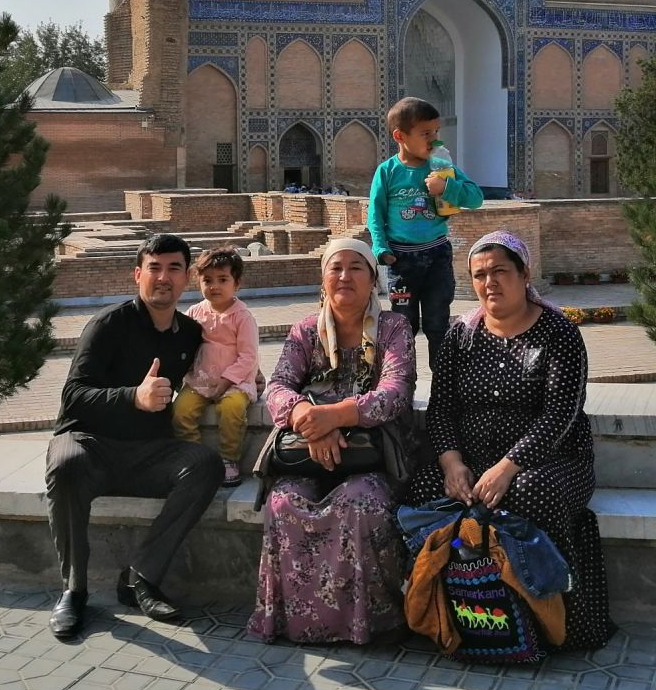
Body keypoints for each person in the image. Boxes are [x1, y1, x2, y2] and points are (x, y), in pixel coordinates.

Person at [408, 229, 616, 650]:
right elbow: (441, 408)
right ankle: (449, 617)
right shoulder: (461, 336)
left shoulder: (559, 334)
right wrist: (451, 463)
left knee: (529, 492)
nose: (490, 283)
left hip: (551, 463)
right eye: (480, 275)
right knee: (423, 488)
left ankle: (554, 624)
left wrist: (507, 467)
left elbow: (560, 415)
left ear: (524, 274)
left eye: (500, 271)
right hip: (474, 463)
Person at [44, 234, 224, 641]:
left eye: (174, 268)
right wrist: (134, 397)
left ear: (186, 278)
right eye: (154, 268)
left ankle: (141, 576)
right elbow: (73, 396)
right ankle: (74, 590)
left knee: (205, 465)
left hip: (148, 453)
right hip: (90, 444)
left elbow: (219, 364)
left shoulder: (189, 333)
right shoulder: (108, 324)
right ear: (137, 274)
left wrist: (245, 378)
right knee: (66, 463)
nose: (163, 278)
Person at [248, 238, 417, 644]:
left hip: (373, 457)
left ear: (373, 279)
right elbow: (278, 386)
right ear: (323, 279)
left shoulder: (393, 328)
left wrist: (335, 416)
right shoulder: (306, 331)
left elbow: (395, 391)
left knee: (361, 504)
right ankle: (299, 624)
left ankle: (369, 623)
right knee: (284, 502)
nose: (345, 276)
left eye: (356, 267)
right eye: (335, 268)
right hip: (307, 451)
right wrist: (307, 418)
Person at [367, 96, 484, 366]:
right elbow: (376, 214)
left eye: (436, 132)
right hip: (402, 261)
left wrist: (447, 188)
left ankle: (442, 381)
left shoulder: (442, 167)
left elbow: (475, 198)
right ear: (400, 136)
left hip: (436, 256)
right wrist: (381, 248)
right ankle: (401, 380)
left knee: (437, 322)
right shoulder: (388, 172)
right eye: (426, 133)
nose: (434, 139)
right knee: (403, 324)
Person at [173, 247, 260, 487]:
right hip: (200, 380)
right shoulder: (195, 313)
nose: (214, 286)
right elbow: (184, 345)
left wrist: (226, 381)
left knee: (232, 409)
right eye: (207, 280)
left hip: (234, 382)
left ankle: (229, 459)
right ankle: (195, 458)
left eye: (223, 280)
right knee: (180, 411)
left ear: (236, 283)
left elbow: (248, 356)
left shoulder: (242, 317)